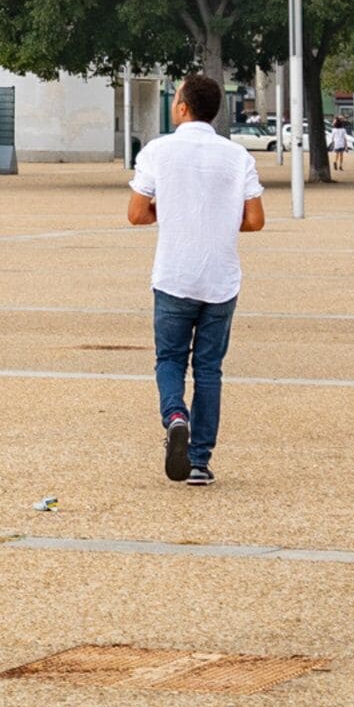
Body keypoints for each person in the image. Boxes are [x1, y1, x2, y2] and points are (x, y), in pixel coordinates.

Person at [128, 71, 265, 486]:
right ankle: (200, 461)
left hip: (174, 274)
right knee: (209, 369)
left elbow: (136, 213)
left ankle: (174, 415)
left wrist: (167, 213)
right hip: (220, 278)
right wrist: (220, 220)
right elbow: (255, 220)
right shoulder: (237, 156)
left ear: (183, 107)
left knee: (169, 359)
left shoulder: (158, 151)